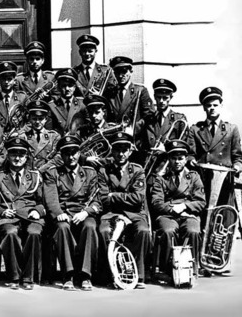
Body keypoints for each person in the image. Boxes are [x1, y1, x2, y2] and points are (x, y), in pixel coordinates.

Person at [42, 135, 102, 291]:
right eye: (67, 153)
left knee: (90, 226)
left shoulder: (90, 173)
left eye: (74, 152)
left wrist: (86, 212)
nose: (71, 157)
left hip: (83, 213)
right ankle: (68, 275)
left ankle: (85, 275)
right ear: (61, 155)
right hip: (64, 213)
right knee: (62, 227)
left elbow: (97, 201)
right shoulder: (53, 173)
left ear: (79, 153)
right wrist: (58, 213)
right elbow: (51, 199)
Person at [97, 132, 151, 289]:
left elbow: (138, 199)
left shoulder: (138, 170)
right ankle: (110, 274)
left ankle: (139, 275)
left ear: (130, 151)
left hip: (135, 214)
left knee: (143, 231)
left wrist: (114, 195)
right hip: (111, 214)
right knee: (104, 231)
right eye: (117, 149)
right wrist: (121, 198)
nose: (121, 154)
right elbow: (103, 198)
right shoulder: (104, 171)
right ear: (112, 151)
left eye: (124, 149)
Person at [150, 139, 206, 280]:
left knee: (193, 231)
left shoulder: (193, 177)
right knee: (168, 231)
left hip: (188, 214)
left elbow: (200, 201)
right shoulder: (161, 178)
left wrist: (185, 206)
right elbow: (156, 202)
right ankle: (168, 270)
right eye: (173, 158)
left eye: (180, 158)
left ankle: (192, 270)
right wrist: (172, 208)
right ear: (168, 159)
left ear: (186, 159)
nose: (177, 162)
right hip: (167, 215)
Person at [0, 137, 44, 290]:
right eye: (13, 154)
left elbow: (42, 202)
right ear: (7, 156)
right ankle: (13, 276)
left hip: (30, 215)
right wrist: (2, 211)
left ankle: (28, 277)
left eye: (21, 154)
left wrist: (37, 211)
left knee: (34, 233)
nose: (17, 158)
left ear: (26, 156)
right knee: (10, 232)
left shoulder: (35, 177)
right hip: (9, 217)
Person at [187, 86, 242, 208]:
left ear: (221, 106)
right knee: (203, 213)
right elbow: (190, 154)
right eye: (209, 105)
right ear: (204, 107)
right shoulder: (195, 129)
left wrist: (237, 166)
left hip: (224, 180)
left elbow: (237, 156)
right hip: (202, 180)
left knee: (224, 214)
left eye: (215, 105)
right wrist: (191, 161)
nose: (212, 108)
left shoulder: (231, 129)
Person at [134, 78, 187, 172]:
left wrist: (166, 149)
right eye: (159, 97)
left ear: (170, 98)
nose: (162, 101)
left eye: (165, 98)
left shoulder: (179, 120)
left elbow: (184, 147)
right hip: (150, 168)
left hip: (168, 168)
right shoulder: (148, 119)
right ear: (154, 97)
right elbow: (138, 140)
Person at [104, 56, 153, 125]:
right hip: (114, 133)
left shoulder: (140, 91)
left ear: (131, 72)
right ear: (114, 74)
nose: (121, 76)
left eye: (124, 71)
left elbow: (149, 115)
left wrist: (136, 126)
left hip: (134, 134)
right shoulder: (110, 93)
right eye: (118, 72)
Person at [45, 68, 86, 136]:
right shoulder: (52, 106)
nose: (67, 89)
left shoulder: (82, 104)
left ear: (75, 87)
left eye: (70, 86)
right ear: (58, 87)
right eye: (63, 86)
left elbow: (87, 126)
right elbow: (49, 130)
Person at [21, 100, 60, 170]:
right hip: (28, 176)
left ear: (46, 119)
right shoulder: (23, 136)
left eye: (41, 119)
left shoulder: (54, 137)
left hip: (47, 174)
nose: (37, 122)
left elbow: (58, 158)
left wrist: (41, 170)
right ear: (29, 119)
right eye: (34, 119)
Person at [0, 61, 28, 131]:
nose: (6, 82)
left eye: (9, 79)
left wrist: (21, 132)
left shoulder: (22, 98)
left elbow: (29, 121)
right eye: (3, 79)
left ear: (14, 80)